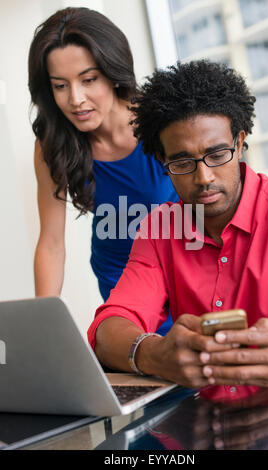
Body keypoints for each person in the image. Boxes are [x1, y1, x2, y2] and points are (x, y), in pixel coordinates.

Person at [88, 60, 268, 400]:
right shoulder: (159, 229)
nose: (203, 177)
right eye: (183, 163)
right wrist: (154, 354)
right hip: (200, 425)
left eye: (217, 154)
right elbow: (109, 328)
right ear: (163, 162)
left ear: (240, 141)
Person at [28, 7, 177, 335]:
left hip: (184, 272)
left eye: (88, 80)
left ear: (113, 72)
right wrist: (43, 324)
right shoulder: (53, 142)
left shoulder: (162, 119)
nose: (76, 99)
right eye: (60, 86)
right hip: (121, 282)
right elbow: (52, 242)